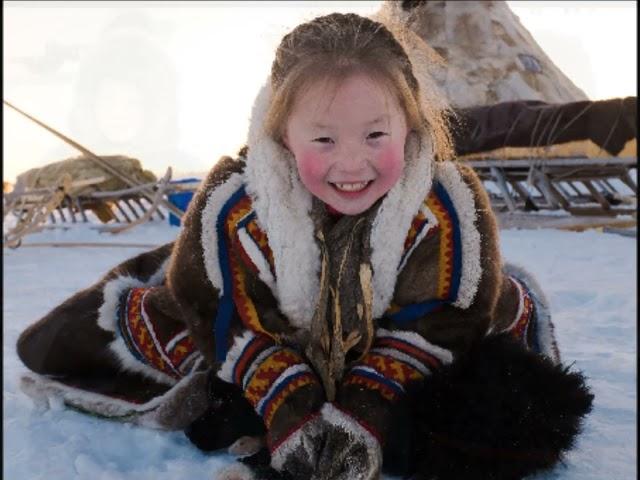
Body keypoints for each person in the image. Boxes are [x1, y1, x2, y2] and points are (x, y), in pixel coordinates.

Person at [16, 13, 592, 480]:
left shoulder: (447, 204)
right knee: (161, 342)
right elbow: (230, 313)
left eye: (375, 134)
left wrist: (364, 409)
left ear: (410, 126)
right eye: (323, 138)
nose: (351, 162)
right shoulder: (236, 203)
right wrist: (288, 407)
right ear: (280, 135)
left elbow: (442, 316)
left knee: (497, 397)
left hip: (400, 322)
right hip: (262, 311)